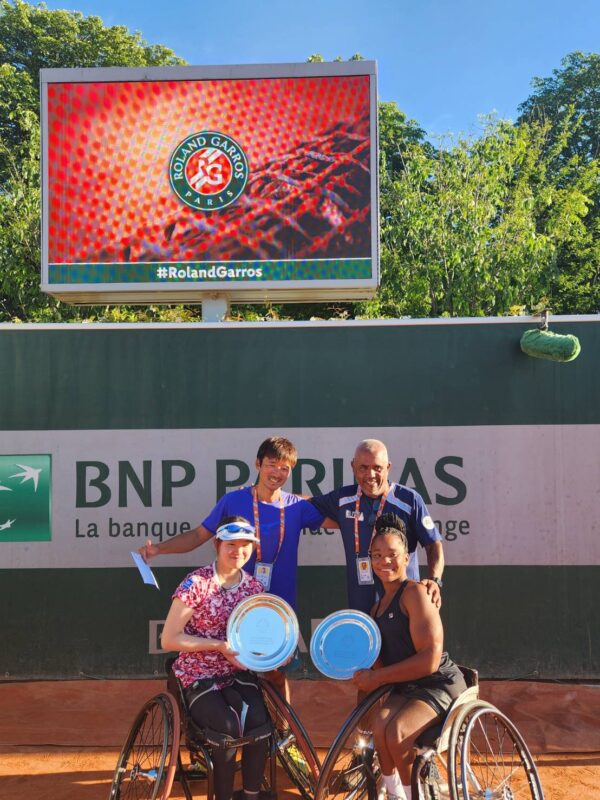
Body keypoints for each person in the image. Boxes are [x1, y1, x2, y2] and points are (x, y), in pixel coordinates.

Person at [142, 436, 333, 698]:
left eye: (285, 468)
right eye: (271, 464)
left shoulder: (297, 506)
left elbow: (343, 520)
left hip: (275, 608)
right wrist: (159, 549)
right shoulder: (233, 501)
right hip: (232, 607)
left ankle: (284, 734)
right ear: (257, 464)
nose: (277, 472)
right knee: (237, 673)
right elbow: (199, 535)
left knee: (275, 675)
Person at [351, 519, 467, 800]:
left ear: (406, 558)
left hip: (439, 683)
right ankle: (395, 795)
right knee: (379, 725)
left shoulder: (416, 593)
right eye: (377, 555)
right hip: (408, 688)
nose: (384, 561)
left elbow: (429, 660)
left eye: (392, 555)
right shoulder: (376, 609)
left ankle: (416, 796)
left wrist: (376, 678)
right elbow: (380, 666)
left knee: (397, 732)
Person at [161, 516, 270, 800]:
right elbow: (169, 638)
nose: (239, 551)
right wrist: (218, 645)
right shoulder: (196, 584)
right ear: (217, 545)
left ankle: (250, 795)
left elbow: (259, 638)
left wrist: (275, 652)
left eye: (245, 545)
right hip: (197, 675)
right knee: (228, 728)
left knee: (260, 722)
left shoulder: (254, 589)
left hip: (236, 675)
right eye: (231, 545)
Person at [311, 439, 444, 614]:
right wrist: (271, 497)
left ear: (388, 467)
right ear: (353, 467)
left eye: (377, 468)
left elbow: (433, 544)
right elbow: (300, 505)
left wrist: (435, 579)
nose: (370, 475)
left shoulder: (410, 500)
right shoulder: (342, 499)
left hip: (404, 608)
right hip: (362, 610)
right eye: (363, 468)